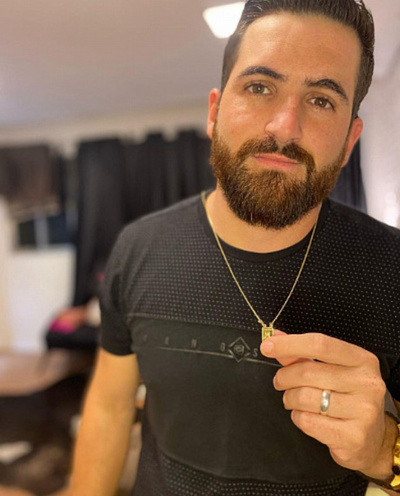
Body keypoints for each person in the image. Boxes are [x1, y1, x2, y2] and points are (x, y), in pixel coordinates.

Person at [65, 1, 400, 495]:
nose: (284, 126)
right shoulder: (138, 249)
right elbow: (111, 406)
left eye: (322, 100)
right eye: (260, 87)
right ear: (214, 112)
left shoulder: (392, 270)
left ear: (350, 140)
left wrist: (385, 449)